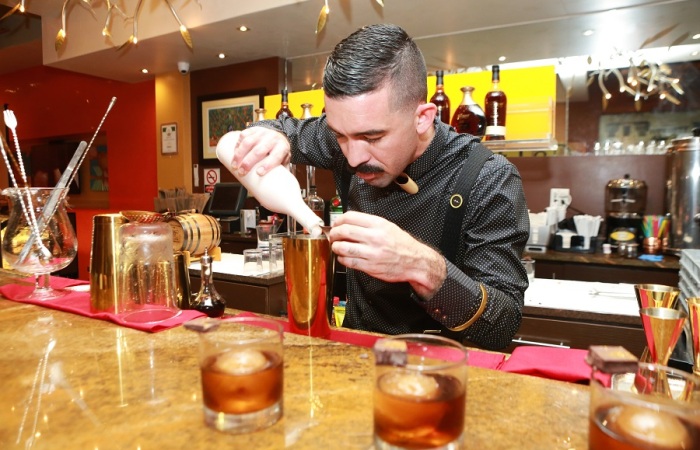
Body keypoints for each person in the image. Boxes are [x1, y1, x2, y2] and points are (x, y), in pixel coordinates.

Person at [221, 24, 529, 350]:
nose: (353, 158)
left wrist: (423, 267)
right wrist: (274, 136)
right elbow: (276, 127)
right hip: (355, 351)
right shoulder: (348, 137)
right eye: (340, 135)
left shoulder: (488, 178)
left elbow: (502, 325)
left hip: (439, 365)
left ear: (423, 117)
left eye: (373, 137)